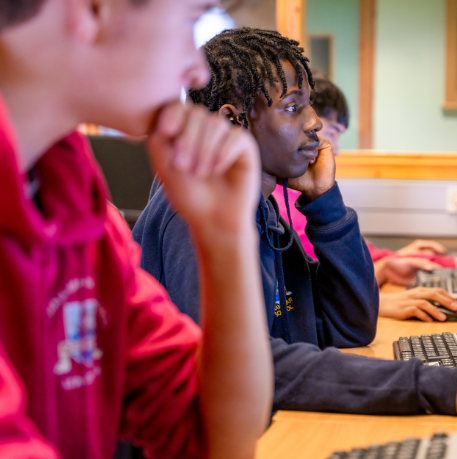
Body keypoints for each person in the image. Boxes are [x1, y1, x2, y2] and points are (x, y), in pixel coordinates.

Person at [134, 27, 457, 419]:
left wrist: (325, 204)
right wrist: (436, 384)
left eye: (309, 106)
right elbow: (240, 365)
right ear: (232, 121)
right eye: (293, 107)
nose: (314, 123)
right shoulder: (197, 211)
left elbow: (351, 325)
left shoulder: (264, 212)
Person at [0, 1, 273, 458]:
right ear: (93, 11)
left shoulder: (75, 206)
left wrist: (226, 237)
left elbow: (214, 437)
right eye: (190, 21)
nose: (198, 71)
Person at [272, 76, 457, 322]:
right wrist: (378, 295)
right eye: (333, 132)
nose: (335, 149)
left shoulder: (296, 193)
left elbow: (346, 262)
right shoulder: (280, 204)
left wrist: (394, 260)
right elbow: (322, 282)